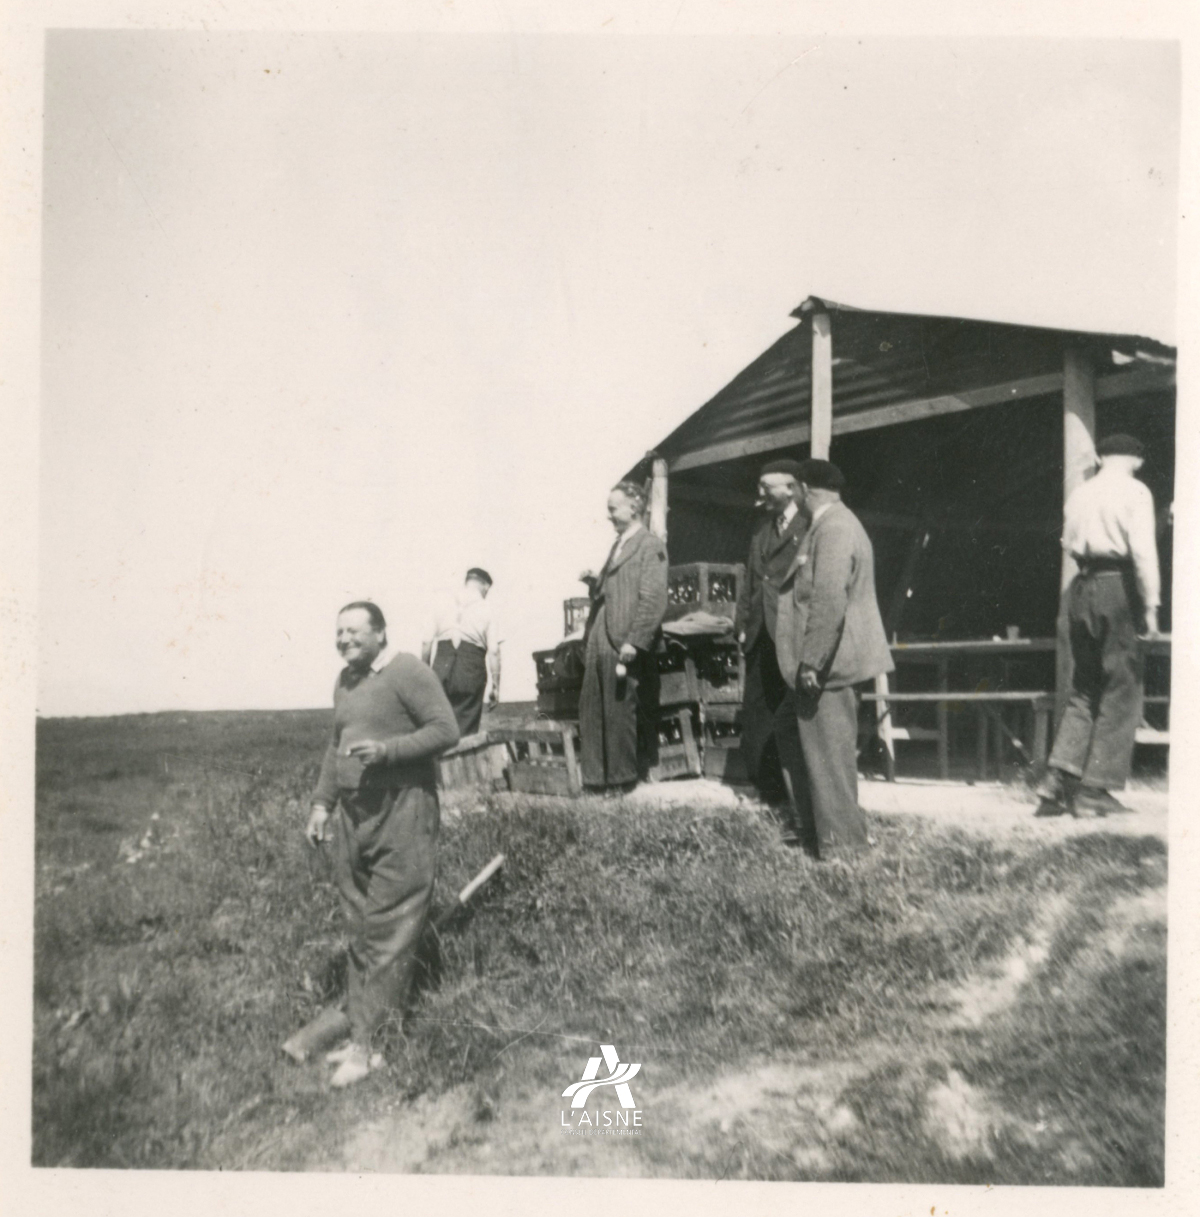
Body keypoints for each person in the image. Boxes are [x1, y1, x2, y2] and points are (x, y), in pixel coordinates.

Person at [305, 601, 459, 1087]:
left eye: (354, 631)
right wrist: (321, 805)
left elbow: (446, 729)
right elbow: (336, 745)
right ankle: (361, 1035)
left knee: (391, 933)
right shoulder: (346, 681)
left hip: (403, 812)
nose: (345, 639)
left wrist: (388, 752)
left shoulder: (407, 670)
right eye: (339, 631)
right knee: (360, 929)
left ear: (380, 633)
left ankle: (374, 1046)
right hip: (354, 817)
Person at [773, 458, 894, 859]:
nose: (792, 496)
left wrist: (812, 661)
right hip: (820, 663)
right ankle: (815, 829)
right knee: (792, 733)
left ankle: (845, 848)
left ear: (805, 489)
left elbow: (828, 599)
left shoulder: (836, 528)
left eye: (794, 489)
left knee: (829, 753)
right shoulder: (826, 526)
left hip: (828, 664)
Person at [1036, 433, 1162, 818]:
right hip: (1116, 586)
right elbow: (1143, 552)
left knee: (1085, 688)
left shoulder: (1080, 494)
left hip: (1081, 588)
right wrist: (1152, 606)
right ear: (1137, 459)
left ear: (1103, 457)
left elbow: (1068, 544)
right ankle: (1096, 788)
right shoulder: (1136, 492)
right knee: (1123, 688)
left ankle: (1056, 781)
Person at [578, 481, 669, 791]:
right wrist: (595, 581)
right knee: (592, 708)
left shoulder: (650, 545)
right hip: (600, 636)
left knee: (619, 710)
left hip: (622, 638)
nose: (609, 516)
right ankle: (594, 779)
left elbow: (653, 598)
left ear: (633, 506)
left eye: (612, 509)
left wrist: (636, 640)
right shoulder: (617, 545)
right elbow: (611, 589)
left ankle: (621, 780)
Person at [735, 459, 810, 803]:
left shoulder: (809, 526)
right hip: (759, 633)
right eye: (760, 486)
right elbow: (751, 579)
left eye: (768, 486)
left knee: (788, 710)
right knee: (758, 709)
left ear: (792, 488)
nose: (761, 492)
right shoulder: (760, 528)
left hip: (790, 632)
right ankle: (765, 787)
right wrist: (742, 624)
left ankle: (791, 790)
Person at [422, 568, 503, 736]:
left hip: (441, 666)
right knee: (466, 730)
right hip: (471, 668)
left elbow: (426, 643)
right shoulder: (488, 608)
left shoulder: (441, 603)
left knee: (439, 726)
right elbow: (494, 651)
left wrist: (425, 677)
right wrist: (496, 686)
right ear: (485, 585)